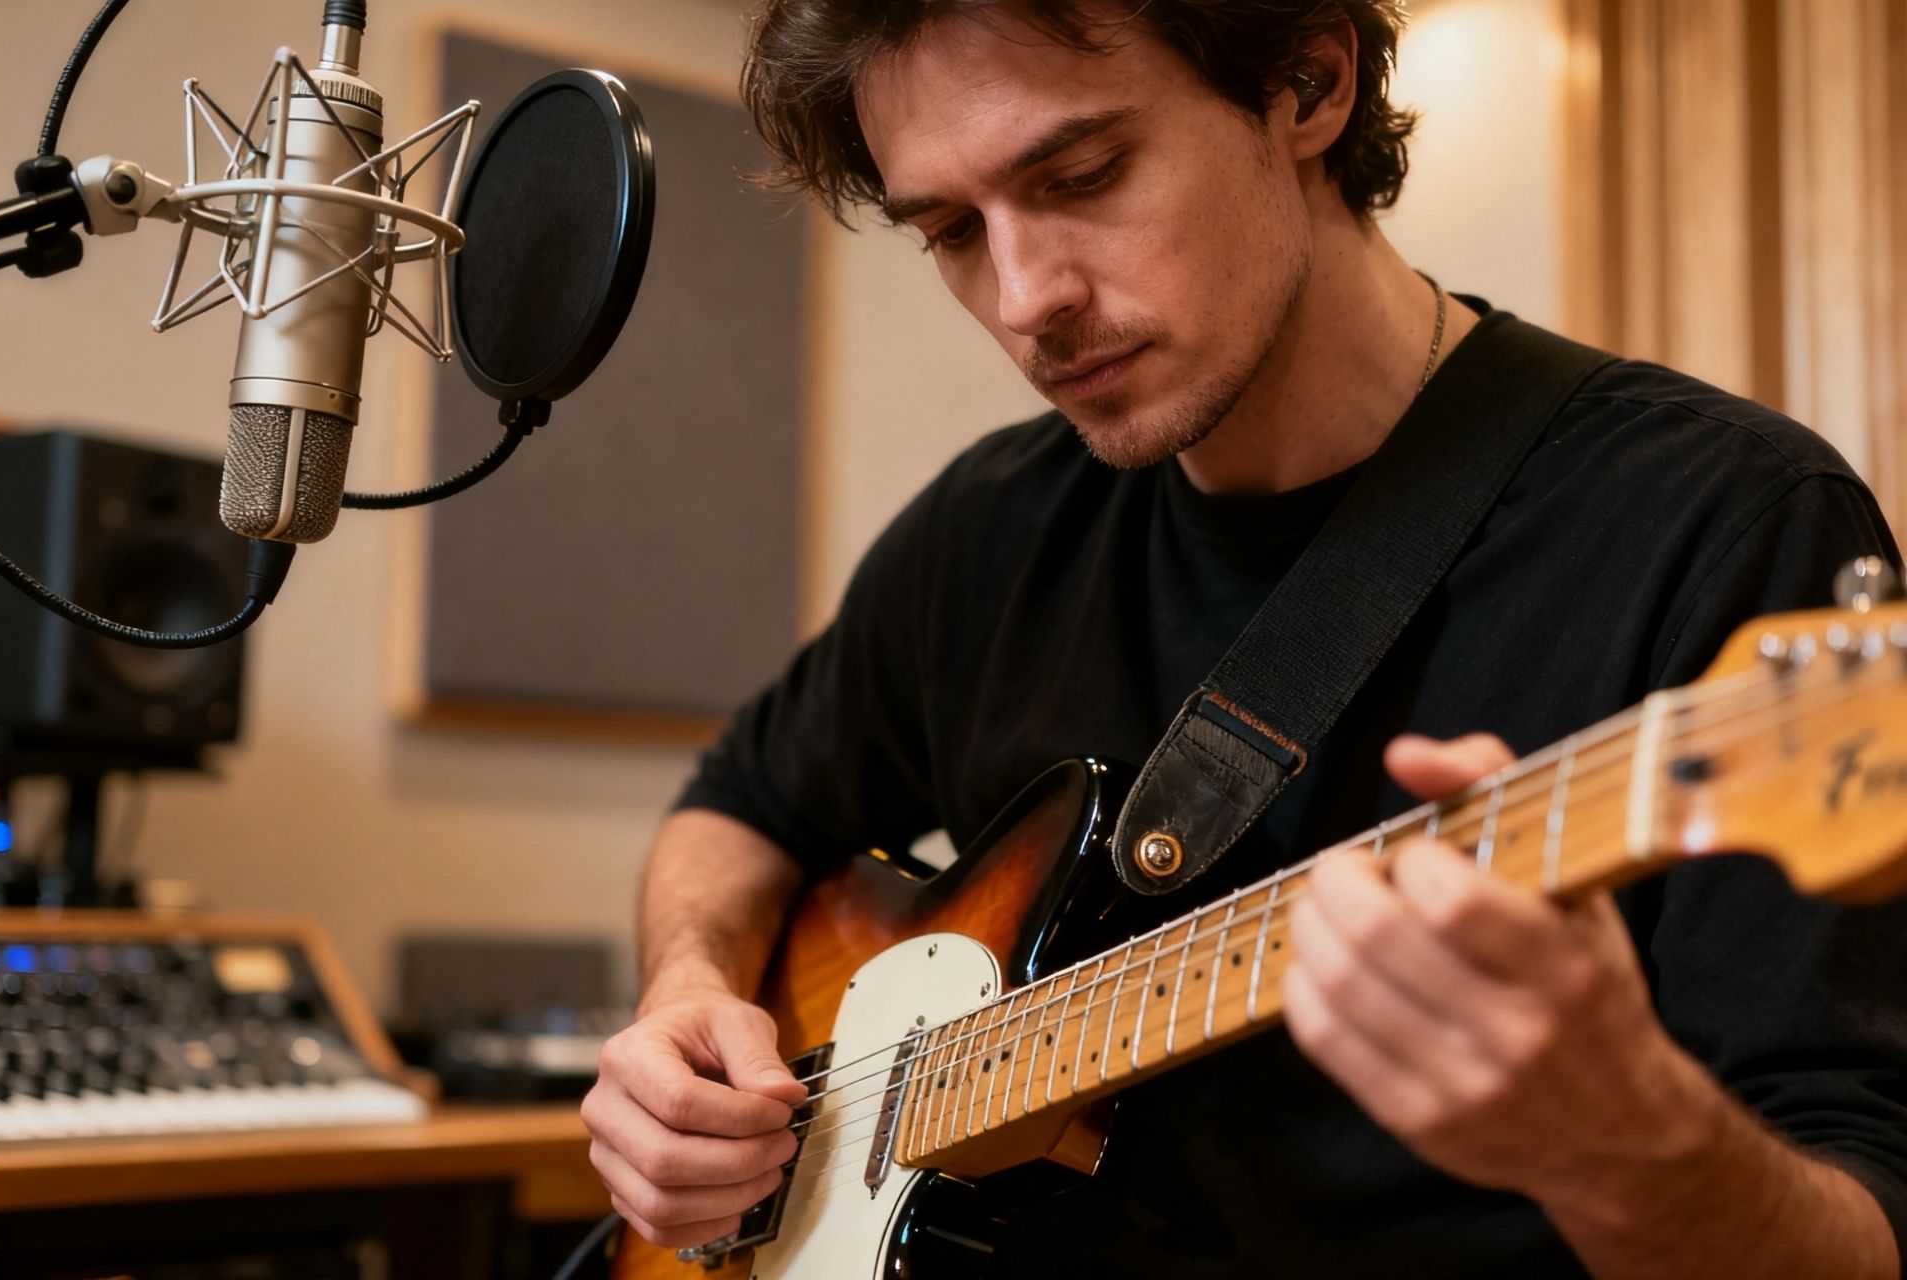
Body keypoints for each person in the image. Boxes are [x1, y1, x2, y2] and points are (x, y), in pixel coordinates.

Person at [579, 2, 1907, 1275]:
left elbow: (1860, 1238)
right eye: (954, 232)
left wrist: (1626, 1147)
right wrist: (684, 997)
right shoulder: (985, 531)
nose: (1026, 296)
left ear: (1308, 86)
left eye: (1083, 174)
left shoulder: (1723, 522)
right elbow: (743, 803)